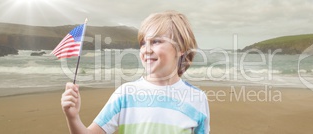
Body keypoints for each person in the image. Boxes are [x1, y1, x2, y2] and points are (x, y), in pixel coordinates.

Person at [61, 10, 210, 134]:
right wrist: (73, 117)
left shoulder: (197, 98)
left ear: (181, 48)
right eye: (143, 43)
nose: (147, 49)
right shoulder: (126, 94)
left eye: (156, 41)